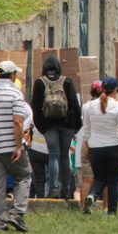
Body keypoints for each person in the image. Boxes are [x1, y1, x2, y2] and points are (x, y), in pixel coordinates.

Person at [30, 53, 81, 199]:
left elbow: (36, 106)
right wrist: (76, 125)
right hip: (67, 125)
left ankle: (53, 188)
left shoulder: (40, 83)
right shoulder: (67, 81)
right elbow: (75, 106)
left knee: (53, 154)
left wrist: (42, 127)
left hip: (49, 125)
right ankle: (64, 187)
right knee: (64, 155)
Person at [0, 61, 31, 232]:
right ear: (12, 75)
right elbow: (18, 121)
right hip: (11, 147)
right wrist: (19, 146)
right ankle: (17, 214)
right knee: (23, 176)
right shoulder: (15, 94)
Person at [81, 77, 118, 216]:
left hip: (95, 148)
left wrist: (87, 145)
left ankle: (92, 196)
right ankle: (112, 211)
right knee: (113, 179)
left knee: (99, 178)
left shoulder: (89, 106)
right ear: (116, 90)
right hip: (114, 146)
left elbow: (87, 129)